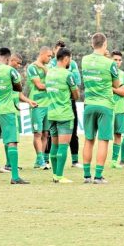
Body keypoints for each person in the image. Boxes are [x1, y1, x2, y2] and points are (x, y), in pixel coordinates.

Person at [81, 33, 121, 184]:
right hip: (105, 105)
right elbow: (117, 85)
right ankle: (98, 176)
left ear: (92, 44)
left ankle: (86, 175)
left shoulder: (84, 60)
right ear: (105, 45)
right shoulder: (109, 63)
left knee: (89, 140)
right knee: (103, 141)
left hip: (89, 104)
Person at [0, 47, 29, 184]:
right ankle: (15, 177)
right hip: (7, 110)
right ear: (8, 58)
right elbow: (18, 88)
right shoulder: (10, 71)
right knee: (12, 142)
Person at [46, 47, 80, 183]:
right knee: (63, 145)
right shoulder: (68, 74)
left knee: (54, 145)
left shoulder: (49, 73)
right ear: (66, 58)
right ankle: (59, 176)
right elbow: (76, 94)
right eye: (70, 58)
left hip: (52, 113)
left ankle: (55, 175)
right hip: (65, 114)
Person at [5, 53, 37, 170]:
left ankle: (10, 164)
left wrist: (28, 101)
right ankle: (8, 164)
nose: (19, 65)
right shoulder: (7, 73)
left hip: (15, 110)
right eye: (17, 63)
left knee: (13, 138)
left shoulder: (14, 75)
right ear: (11, 60)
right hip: (7, 110)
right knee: (9, 138)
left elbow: (18, 94)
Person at [27, 46, 53, 169]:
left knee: (45, 134)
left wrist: (44, 68)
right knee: (37, 133)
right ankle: (40, 159)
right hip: (37, 104)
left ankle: (40, 160)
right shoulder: (32, 68)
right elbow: (39, 85)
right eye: (49, 56)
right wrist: (52, 85)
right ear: (42, 54)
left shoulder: (47, 67)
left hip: (48, 104)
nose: (50, 58)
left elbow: (52, 80)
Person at [110, 50, 124, 169]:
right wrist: (119, 90)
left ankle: (114, 161)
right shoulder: (107, 72)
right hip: (108, 107)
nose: (117, 62)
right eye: (115, 59)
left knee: (118, 134)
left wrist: (113, 89)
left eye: (119, 60)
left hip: (120, 108)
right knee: (104, 136)